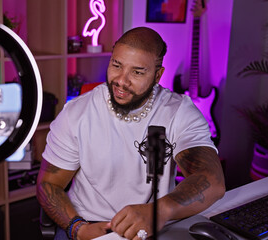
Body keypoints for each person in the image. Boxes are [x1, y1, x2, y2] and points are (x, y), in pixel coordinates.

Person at [36, 27, 225, 240]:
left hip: (153, 225)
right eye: (116, 65)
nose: (121, 81)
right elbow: (49, 184)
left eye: (137, 72)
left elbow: (212, 180)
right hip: (89, 225)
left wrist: (159, 211)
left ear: (157, 75)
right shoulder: (77, 113)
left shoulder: (178, 112)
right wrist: (78, 229)